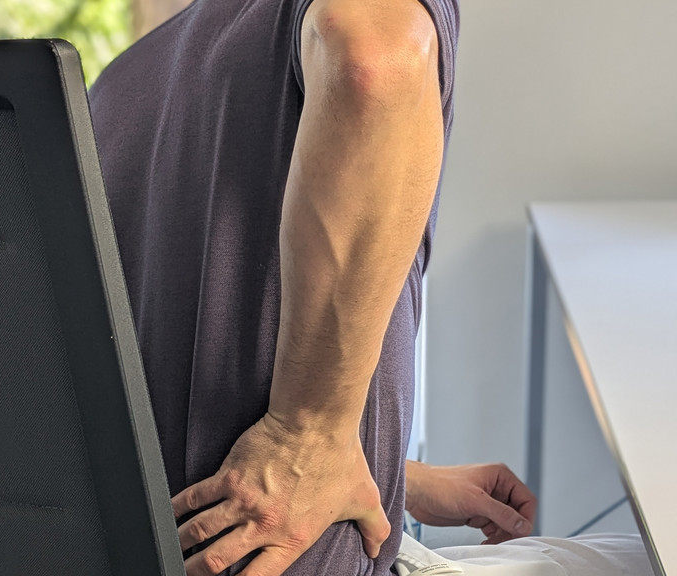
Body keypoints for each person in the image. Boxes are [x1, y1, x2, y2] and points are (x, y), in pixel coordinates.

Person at [88, 0, 648, 574]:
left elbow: (167, 389)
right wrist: (309, 431)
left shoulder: (120, 86)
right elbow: (377, 61)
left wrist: (388, 472)